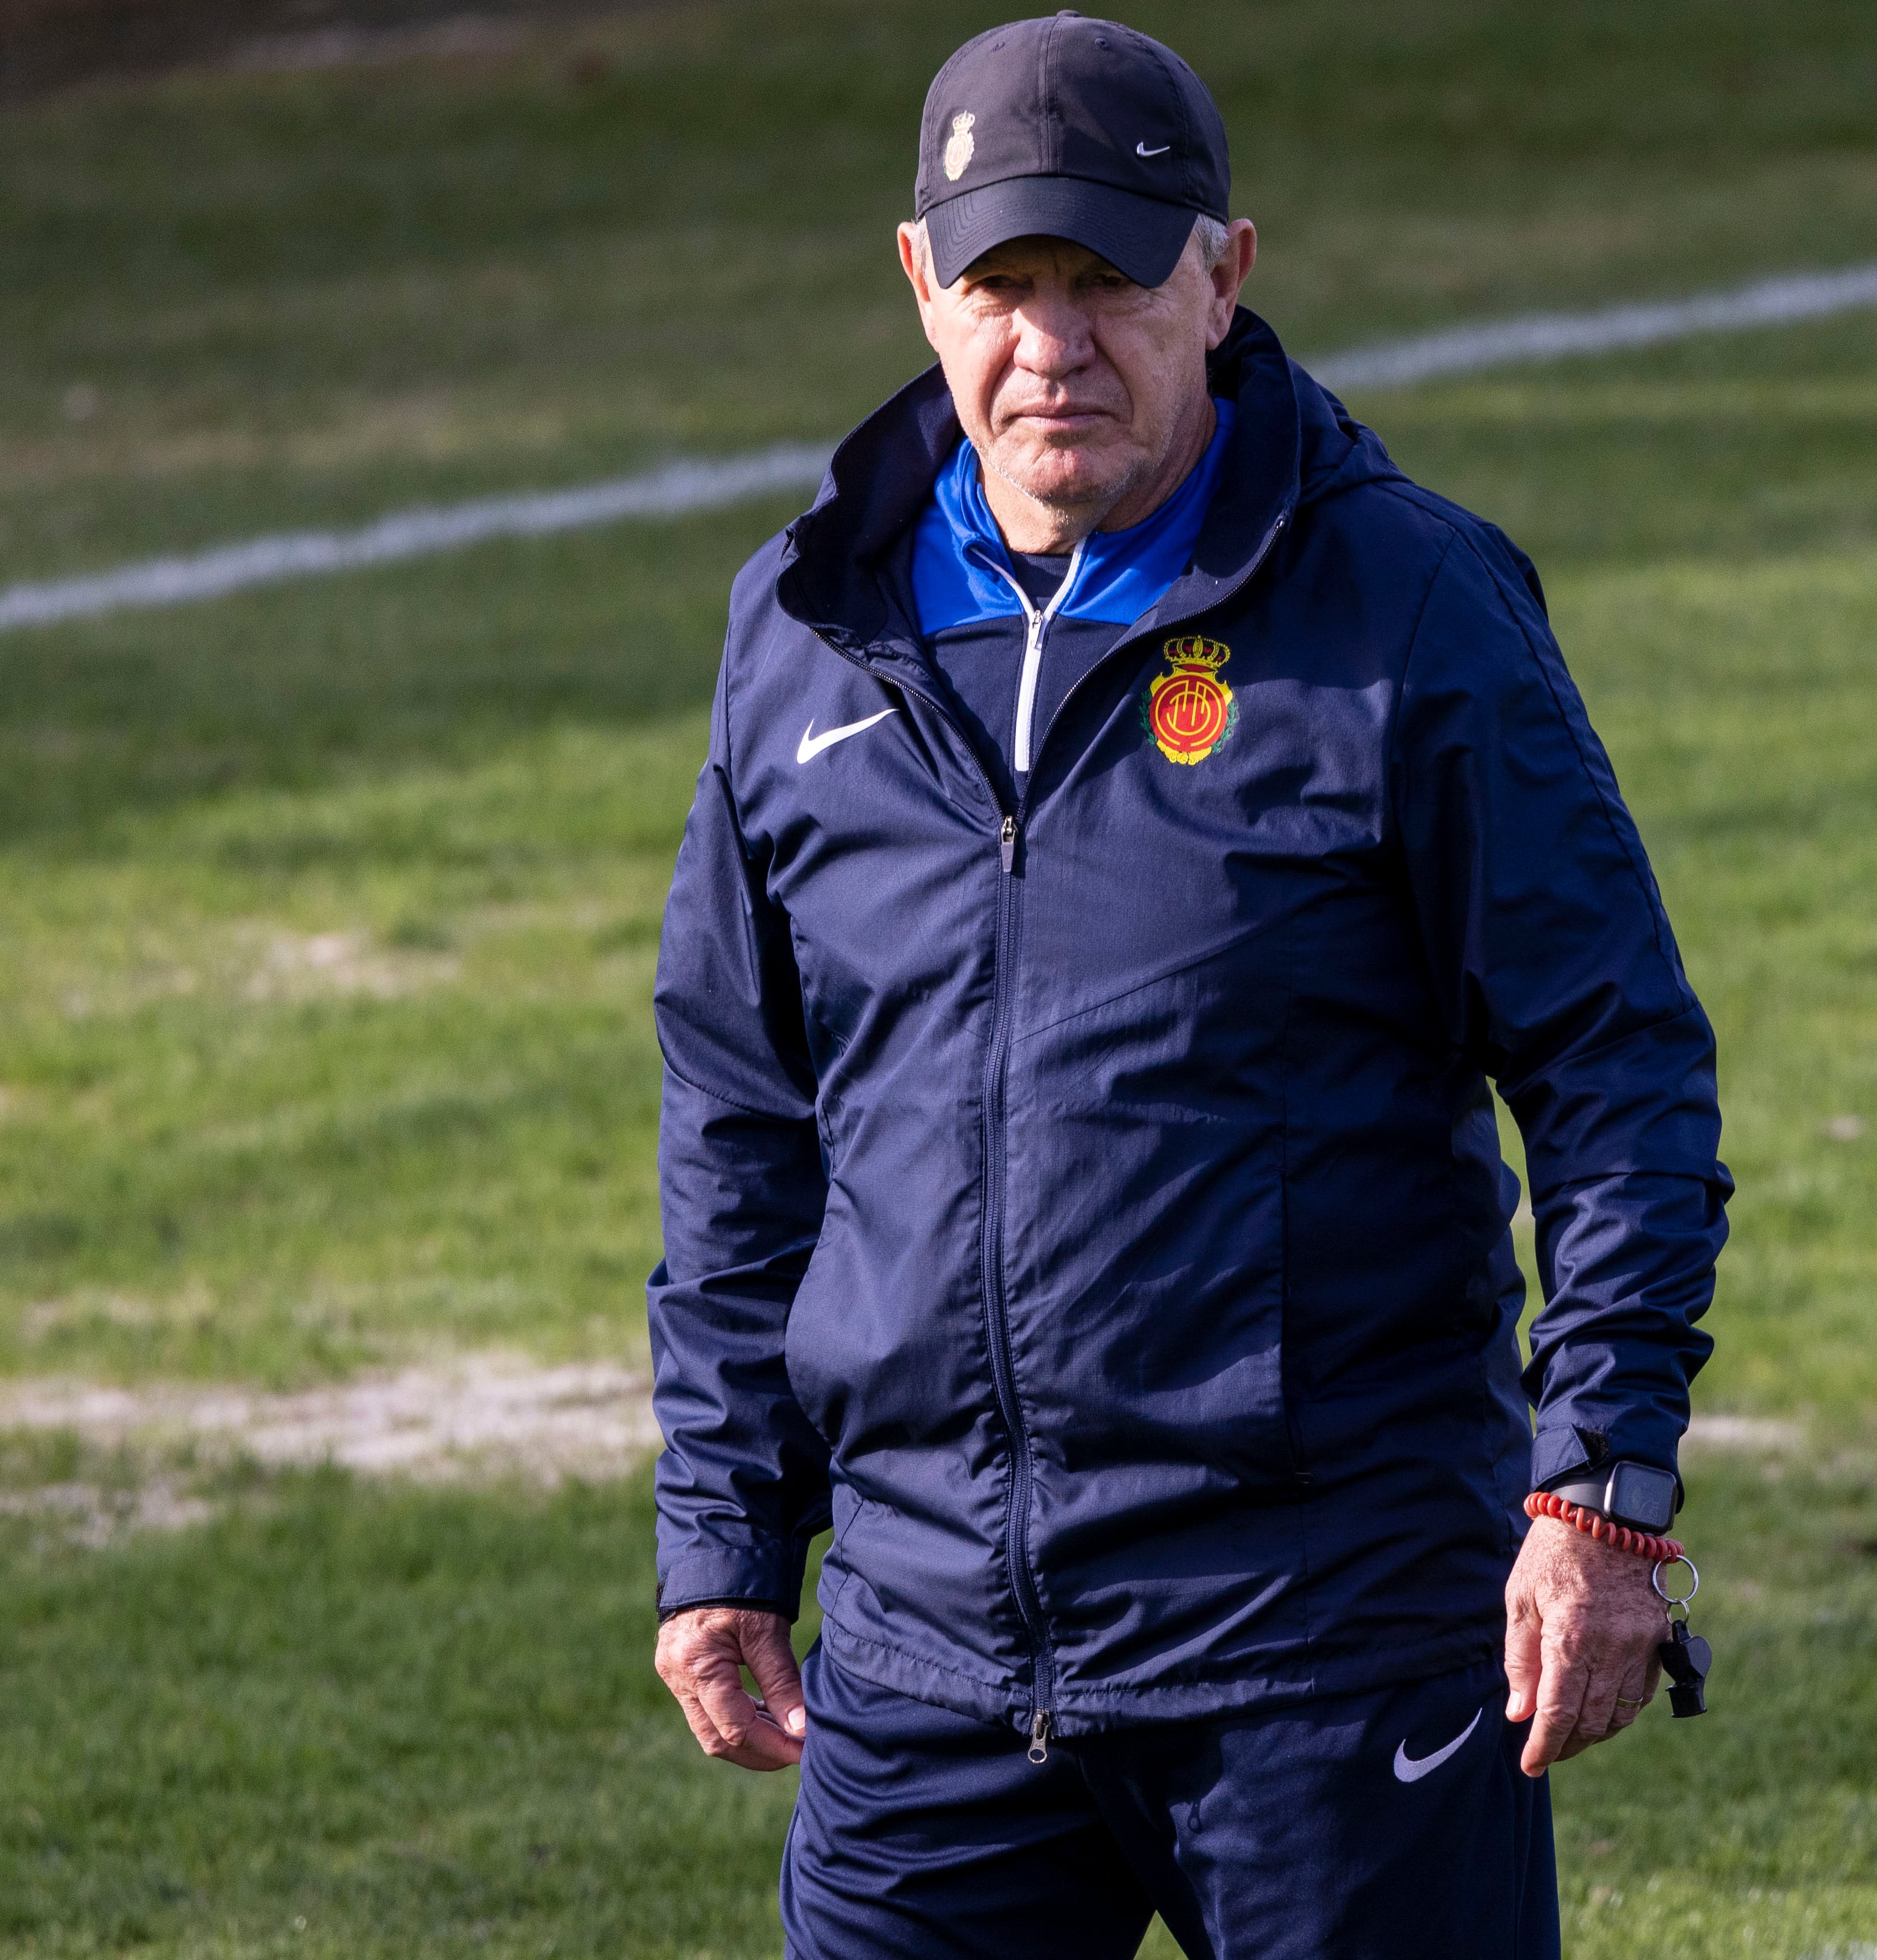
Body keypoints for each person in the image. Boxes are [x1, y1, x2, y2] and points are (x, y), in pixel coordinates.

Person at [645, 14, 1727, 1955]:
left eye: (1112, 282)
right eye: (1004, 284)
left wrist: (1604, 1492)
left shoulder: (1409, 608)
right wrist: (725, 1536)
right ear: (921, 283)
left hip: (1326, 1650)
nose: (1053, 343)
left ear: (1225, 277)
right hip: (928, 1659)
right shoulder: (803, 635)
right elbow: (744, 1114)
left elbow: (1616, 1062)